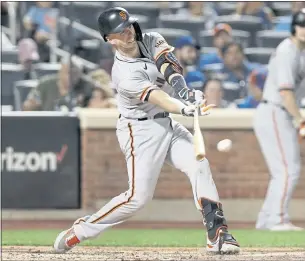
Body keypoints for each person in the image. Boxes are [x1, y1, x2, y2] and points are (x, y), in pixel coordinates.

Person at [53, 7, 240, 255]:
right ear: (110, 39)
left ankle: (217, 232)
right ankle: (82, 230)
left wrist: (186, 92)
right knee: (137, 198)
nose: (128, 33)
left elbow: (169, 66)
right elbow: (158, 97)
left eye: (128, 26)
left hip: (166, 124)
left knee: (199, 164)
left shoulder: (151, 39)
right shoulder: (123, 74)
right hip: (139, 130)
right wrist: (184, 108)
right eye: (120, 31)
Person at [253, 10, 305, 231]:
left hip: (278, 112)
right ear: (294, 26)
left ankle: (266, 219)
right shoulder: (288, 50)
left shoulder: (300, 52)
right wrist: (300, 121)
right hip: (275, 111)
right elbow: (285, 92)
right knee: (288, 169)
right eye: (302, 24)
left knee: (283, 170)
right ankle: (277, 219)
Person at [23, 57, 93, 111]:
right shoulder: (45, 84)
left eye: (75, 73)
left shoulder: (86, 86)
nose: (70, 76)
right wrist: (30, 106)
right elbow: (28, 106)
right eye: (67, 72)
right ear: (60, 71)